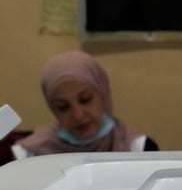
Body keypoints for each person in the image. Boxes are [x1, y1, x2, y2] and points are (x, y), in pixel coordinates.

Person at [11, 50, 159, 158]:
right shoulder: (28, 156)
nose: (78, 115)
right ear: (53, 109)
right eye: (63, 107)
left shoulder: (139, 150)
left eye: (85, 99)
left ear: (103, 94)